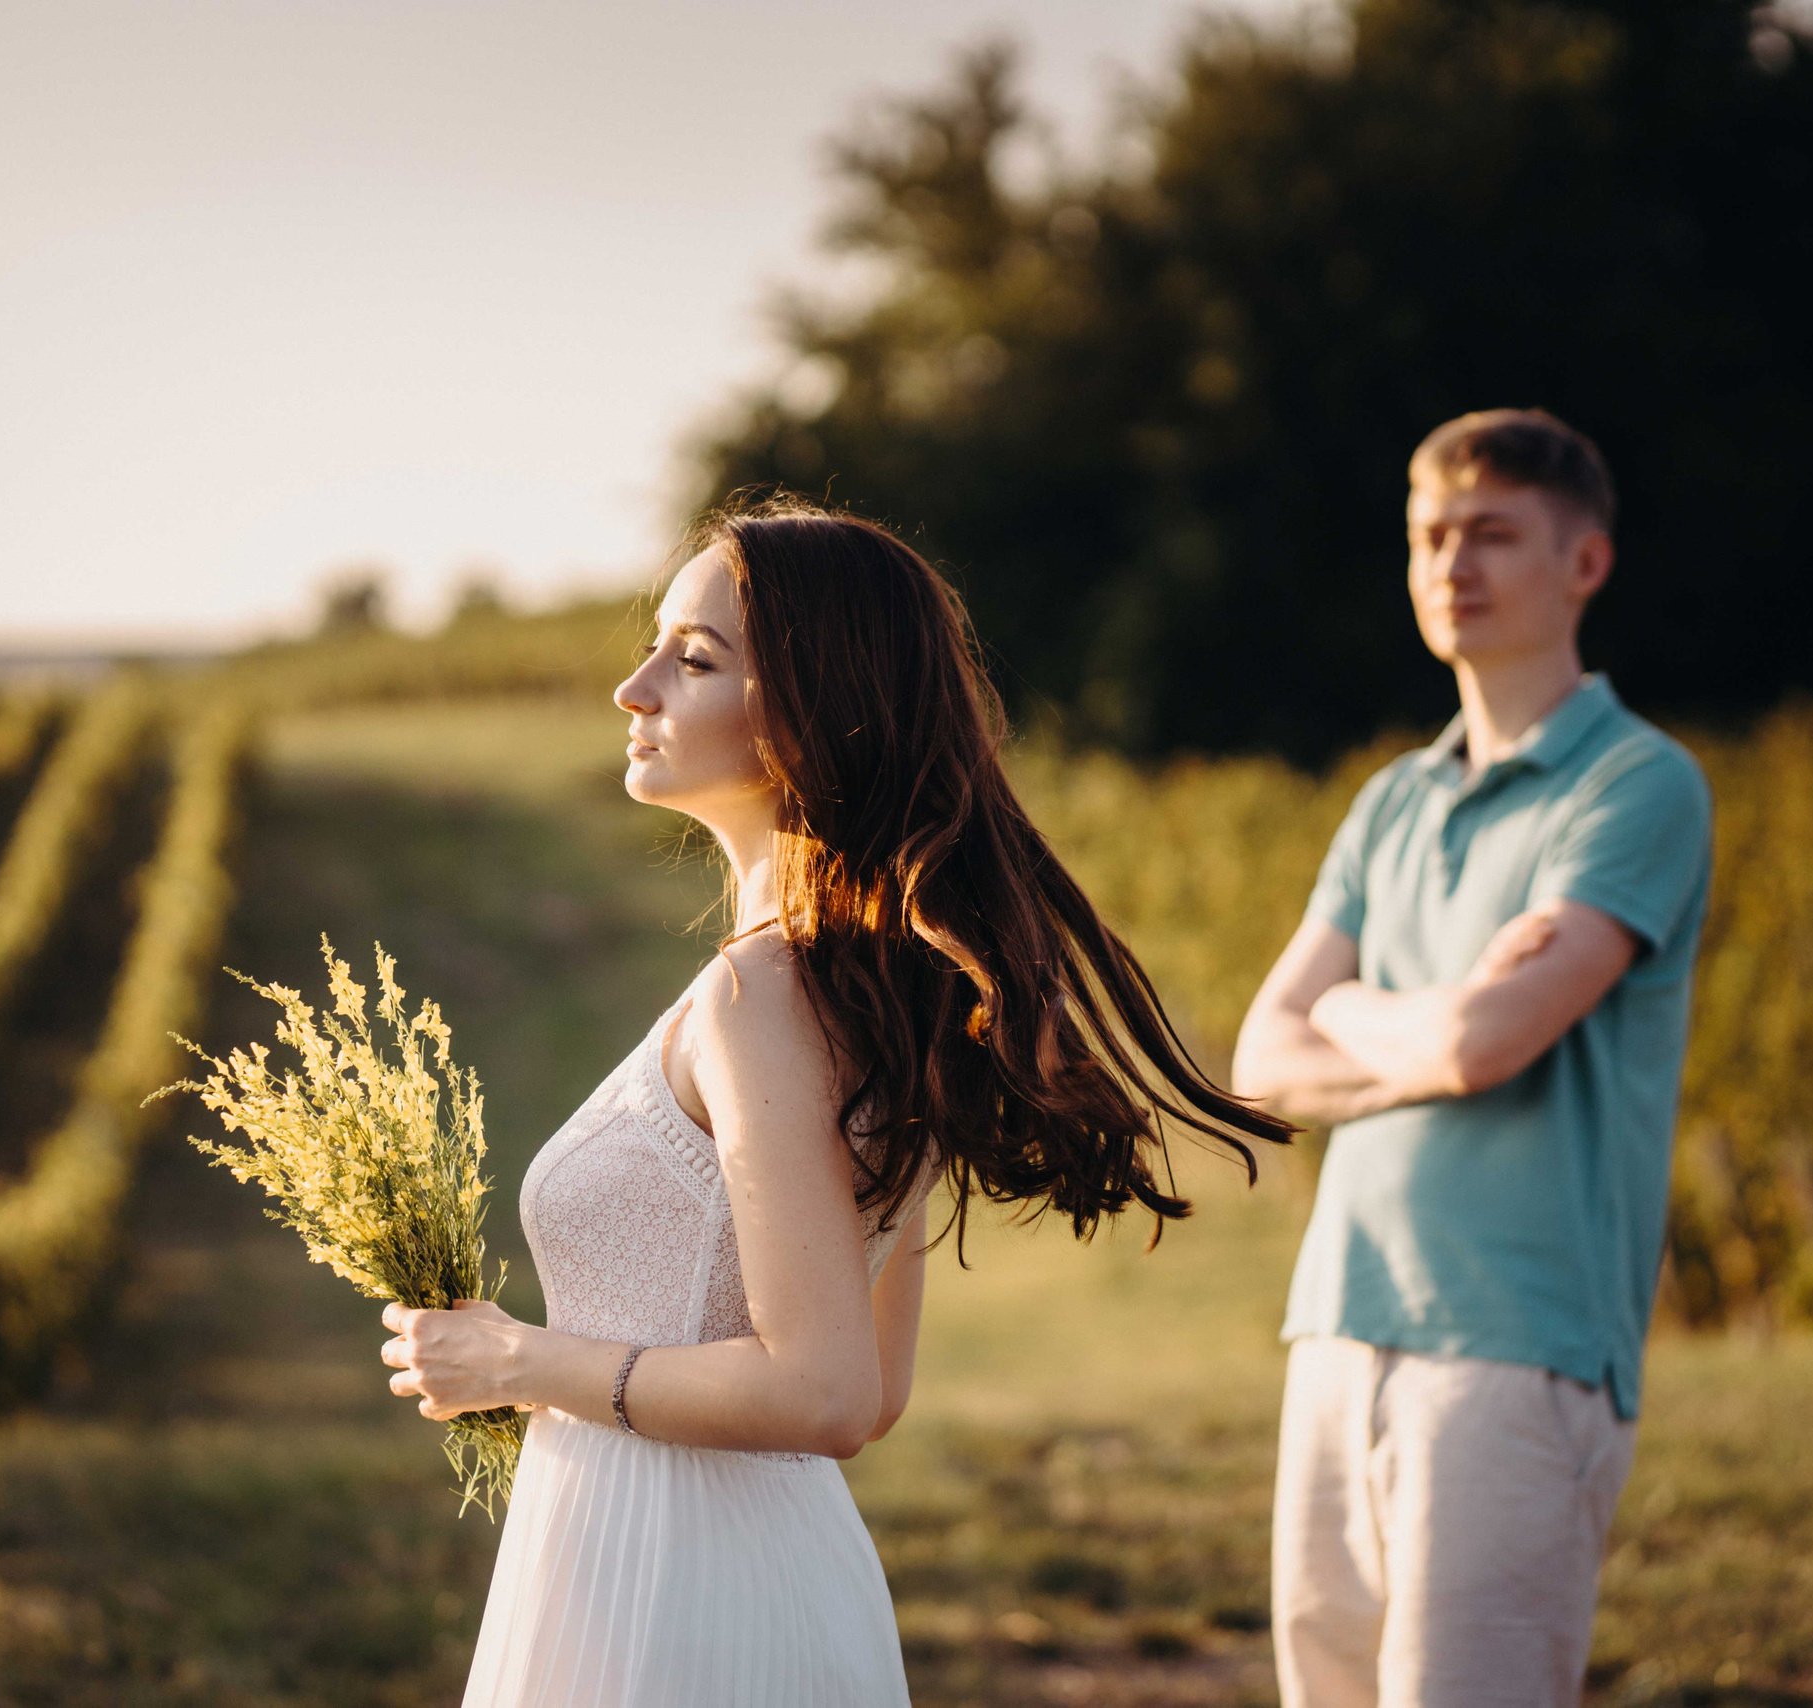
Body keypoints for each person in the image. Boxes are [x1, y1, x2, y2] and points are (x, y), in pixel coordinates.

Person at [380, 499, 1291, 1707]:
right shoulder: (862, 986)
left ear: (809, 711)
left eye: (693, 659)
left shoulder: (765, 991)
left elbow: (827, 1390)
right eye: (655, 645)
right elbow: (878, 1383)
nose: (633, 688)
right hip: (702, 1553)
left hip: (682, 1588)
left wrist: (515, 1356)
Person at [1231, 409, 1714, 1706]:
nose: (1454, 563)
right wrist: (1429, 1030)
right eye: (1430, 535)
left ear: (1586, 564)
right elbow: (1260, 1057)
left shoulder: (1638, 786)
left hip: (1522, 1347)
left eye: (1494, 533)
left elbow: (1487, 1041)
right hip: (1340, 1323)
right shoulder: (1390, 800)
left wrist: (1369, 1014)